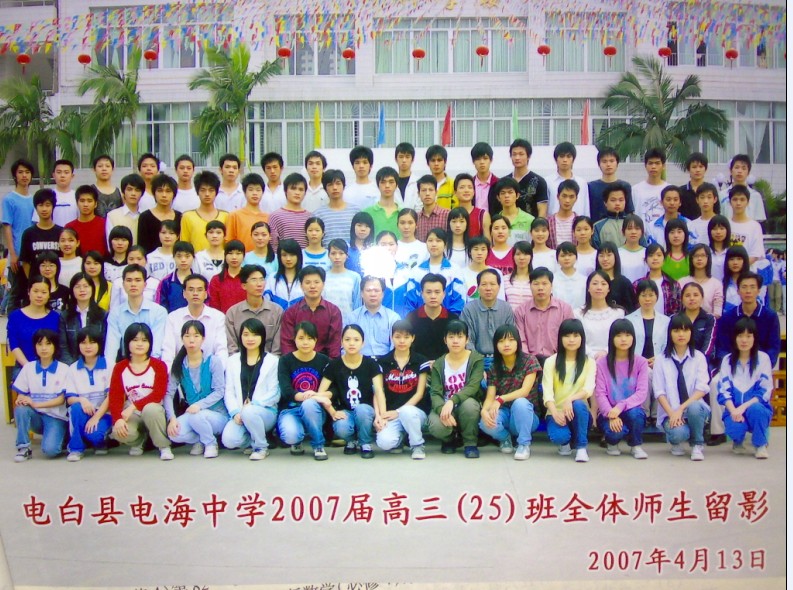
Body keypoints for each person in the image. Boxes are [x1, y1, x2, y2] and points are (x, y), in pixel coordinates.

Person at [314, 324, 383, 458]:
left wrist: (380, 415)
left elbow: (379, 391)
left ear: (363, 343)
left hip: (366, 410)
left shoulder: (371, 364)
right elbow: (321, 393)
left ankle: (365, 443)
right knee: (341, 427)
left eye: (356, 340)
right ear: (341, 342)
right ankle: (351, 441)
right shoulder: (334, 365)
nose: (352, 343)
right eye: (347, 339)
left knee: (362, 410)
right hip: (346, 410)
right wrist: (332, 411)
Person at [165, 320, 228, 459]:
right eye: (187, 336)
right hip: (194, 414)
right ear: (182, 338)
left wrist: (199, 405)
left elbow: (219, 391)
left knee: (197, 417)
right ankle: (201, 439)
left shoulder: (213, 361)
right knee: (174, 433)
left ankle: (211, 444)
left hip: (216, 415)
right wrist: (172, 418)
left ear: (203, 339)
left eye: (196, 336)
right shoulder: (179, 364)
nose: (191, 340)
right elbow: (169, 393)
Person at [108, 323, 171, 459]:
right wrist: (117, 419)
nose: (140, 344)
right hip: (132, 414)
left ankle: (163, 446)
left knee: (150, 409)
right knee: (119, 432)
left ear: (150, 343)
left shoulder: (159, 365)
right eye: (135, 340)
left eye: (144, 340)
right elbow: (115, 397)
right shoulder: (120, 367)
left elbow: (157, 394)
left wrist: (133, 407)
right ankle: (139, 440)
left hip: (153, 411)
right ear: (127, 342)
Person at [653, 314, 711, 461]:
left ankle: (697, 444)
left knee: (694, 407)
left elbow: (702, 388)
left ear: (691, 333)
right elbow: (659, 392)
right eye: (676, 330)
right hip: (670, 411)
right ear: (670, 333)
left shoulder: (698, 357)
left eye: (685, 330)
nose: (681, 334)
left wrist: (681, 409)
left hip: (693, 409)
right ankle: (676, 441)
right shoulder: (661, 359)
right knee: (679, 434)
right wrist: (672, 413)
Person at [221, 318, 280, 460]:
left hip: (265, 412)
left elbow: (275, 392)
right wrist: (235, 412)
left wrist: (254, 405)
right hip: (240, 412)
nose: (250, 339)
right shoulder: (232, 361)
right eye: (246, 334)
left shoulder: (272, 361)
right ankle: (254, 440)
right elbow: (229, 391)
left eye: (255, 334)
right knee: (229, 440)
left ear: (262, 337)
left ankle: (261, 447)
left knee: (250, 411)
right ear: (240, 336)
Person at [479, 324, 541, 461]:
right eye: (501, 341)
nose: (506, 344)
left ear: (518, 342)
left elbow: (525, 391)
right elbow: (490, 396)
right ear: (496, 345)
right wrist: (484, 411)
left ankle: (523, 444)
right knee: (484, 423)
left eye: (511, 340)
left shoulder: (530, 361)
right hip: (505, 414)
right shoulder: (494, 367)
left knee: (520, 403)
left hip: (527, 415)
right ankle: (505, 438)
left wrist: (500, 399)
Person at [715, 317, 773, 459]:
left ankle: (760, 445)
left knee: (757, 410)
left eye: (748, 336)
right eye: (740, 336)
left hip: (755, 406)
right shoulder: (727, 360)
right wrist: (733, 410)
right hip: (734, 409)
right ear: (734, 338)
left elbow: (765, 391)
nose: (744, 340)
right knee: (735, 429)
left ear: (754, 338)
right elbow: (723, 390)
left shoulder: (763, 359)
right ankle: (738, 441)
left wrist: (743, 407)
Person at [374, 320, 432, 459]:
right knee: (384, 442)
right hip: (391, 413)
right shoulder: (382, 362)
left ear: (413, 338)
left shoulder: (420, 361)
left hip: (415, 413)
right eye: (398, 336)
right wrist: (380, 415)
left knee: (407, 412)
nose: (402, 341)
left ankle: (417, 446)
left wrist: (399, 411)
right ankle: (400, 438)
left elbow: (420, 393)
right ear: (391, 337)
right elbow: (378, 391)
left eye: (406, 337)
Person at [427, 320, 485, 458]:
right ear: (445, 340)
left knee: (470, 406)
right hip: (445, 405)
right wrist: (441, 409)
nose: (455, 341)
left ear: (467, 339)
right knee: (435, 425)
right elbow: (435, 393)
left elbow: (473, 387)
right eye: (451, 337)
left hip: (465, 404)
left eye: (460, 336)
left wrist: (452, 401)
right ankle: (449, 439)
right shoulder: (439, 363)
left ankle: (470, 443)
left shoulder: (476, 359)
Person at [542, 318, 595, 463]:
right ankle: (566, 443)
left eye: (576, 335)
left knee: (578, 404)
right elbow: (547, 393)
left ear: (582, 338)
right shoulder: (551, 362)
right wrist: (555, 412)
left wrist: (569, 399)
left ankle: (581, 447)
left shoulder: (589, 362)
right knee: (559, 436)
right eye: (567, 335)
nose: (571, 340)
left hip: (580, 413)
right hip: (557, 412)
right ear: (560, 338)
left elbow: (588, 389)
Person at [595, 319, 650, 459]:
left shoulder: (641, 362)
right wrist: (611, 414)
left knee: (636, 414)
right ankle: (612, 443)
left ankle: (636, 445)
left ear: (633, 338)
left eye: (627, 335)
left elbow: (641, 393)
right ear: (612, 338)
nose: (623, 339)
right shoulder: (601, 363)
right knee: (616, 432)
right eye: (618, 335)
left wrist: (620, 406)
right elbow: (600, 393)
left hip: (631, 409)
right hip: (608, 412)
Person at [11, 328, 68, 462]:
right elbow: (21, 393)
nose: (44, 348)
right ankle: (23, 448)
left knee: (50, 450)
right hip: (36, 417)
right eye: (39, 344)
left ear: (55, 346)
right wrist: (21, 399)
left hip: (55, 417)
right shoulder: (28, 368)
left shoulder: (64, 369)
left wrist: (36, 404)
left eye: (48, 344)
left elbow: (61, 400)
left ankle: (63, 437)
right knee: (20, 409)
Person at [276, 321, 331, 460]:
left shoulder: (324, 360)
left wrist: (315, 397)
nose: (305, 342)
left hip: (315, 411)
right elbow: (286, 390)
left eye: (309, 338)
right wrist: (311, 396)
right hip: (291, 409)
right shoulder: (285, 360)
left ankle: (318, 445)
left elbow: (333, 389)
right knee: (290, 436)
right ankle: (297, 441)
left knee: (309, 404)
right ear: (294, 339)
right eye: (301, 338)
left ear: (316, 340)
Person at [64, 326, 112, 461]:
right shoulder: (73, 368)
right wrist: (82, 400)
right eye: (83, 342)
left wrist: (96, 417)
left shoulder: (109, 365)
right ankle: (76, 449)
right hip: (83, 412)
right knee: (75, 408)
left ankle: (101, 442)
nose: (88, 346)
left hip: (104, 413)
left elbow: (111, 397)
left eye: (92, 342)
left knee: (95, 435)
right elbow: (70, 398)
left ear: (99, 344)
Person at [162, 273, 228, 368]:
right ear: (184, 293)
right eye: (191, 289)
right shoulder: (173, 318)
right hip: (180, 370)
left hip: (210, 371)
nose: (195, 293)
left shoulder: (218, 317)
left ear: (206, 294)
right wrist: (173, 373)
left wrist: (217, 372)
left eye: (199, 290)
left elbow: (221, 349)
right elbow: (168, 351)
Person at [105, 264, 168, 364]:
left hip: (151, 363)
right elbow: (111, 348)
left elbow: (156, 347)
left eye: (138, 280)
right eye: (129, 280)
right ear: (123, 284)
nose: (133, 284)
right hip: (125, 362)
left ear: (145, 284)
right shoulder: (116, 313)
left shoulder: (159, 312)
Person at [279, 266, 343, 358]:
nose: (312, 286)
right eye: (307, 282)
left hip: (325, 361)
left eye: (316, 282)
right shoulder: (291, 312)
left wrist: (330, 364)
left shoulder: (333, 311)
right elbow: (287, 344)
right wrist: (293, 363)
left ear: (323, 284)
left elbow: (334, 344)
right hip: (297, 362)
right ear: (301, 286)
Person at [514, 268, 575, 364]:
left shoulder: (565, 309)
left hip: (558, 360)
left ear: (551, 285)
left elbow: (570, 338)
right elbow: (521, 341)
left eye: (544, 283)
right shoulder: (521, 311)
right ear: (530, 286)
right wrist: (529, 362)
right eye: (536, 284)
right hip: (530, 362)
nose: (540, 288)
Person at [459, 269, 515, 367]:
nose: (488, 288)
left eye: (492, 284)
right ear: (478, 287)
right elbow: (468, 340)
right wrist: (477, 362)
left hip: (502, 359)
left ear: (499, 287)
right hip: (475, 360)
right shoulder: (469, 309)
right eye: (484, 284)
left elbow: (511, 338)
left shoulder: (506, 308)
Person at [225, 265, 283, 355]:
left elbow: (277, 349)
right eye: (254, 280)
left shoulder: (277, 311)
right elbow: (232, 347)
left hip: (269, 361)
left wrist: (271, 362)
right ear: (244, 286)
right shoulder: (233, 313)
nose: (259, 284)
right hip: (240, 360)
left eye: (261, 279)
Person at [2, 158, 35, 314]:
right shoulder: (9, 199)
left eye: (27, 172)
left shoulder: (35, 199)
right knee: (15, 294)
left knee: (31, 293)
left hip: (32, 255)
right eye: (20, 172)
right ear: (15, 175)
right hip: (17, 256)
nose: (24, 176)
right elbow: (7, 227)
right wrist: (13, 254)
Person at [489, 139, 548, 219]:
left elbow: (542, 212)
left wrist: (539, 225)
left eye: (521, 154)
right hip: (505, 224)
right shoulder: (502, 182)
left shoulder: (539, 182)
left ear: (528, 156)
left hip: (530, 224)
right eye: (514, 154)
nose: (517, 158)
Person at [406, 273, 459, 361]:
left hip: (446, 365)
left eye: (437, 292)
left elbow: (457, 348)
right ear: (422, 294)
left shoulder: (453, 319)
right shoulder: (411, 318)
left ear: (444, 294)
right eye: (428, 292)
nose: (433, 296)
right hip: (418, 365)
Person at [58, 272, 108, 365]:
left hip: (97, 365)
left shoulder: (102, 315)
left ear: (92, 289)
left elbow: (105, 344)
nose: (82, 290)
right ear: (72, 290)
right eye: (77, 287)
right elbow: (63, 347)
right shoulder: (65, 316)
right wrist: (73, 367)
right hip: (71, 366)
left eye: (86, 286)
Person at [345, 276, 401, 358]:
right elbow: (345, 346)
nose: (373, 294)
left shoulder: (393, 318)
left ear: (382, 294)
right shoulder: (352, 318)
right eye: (369, 290)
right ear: (361, 293)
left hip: (385, 361)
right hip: (359, 361)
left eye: (376, 290)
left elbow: (396, 346)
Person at [575, 270, 625, 359]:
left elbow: (621, 337)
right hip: (585, 359)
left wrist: (605, 352)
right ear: (588, 288)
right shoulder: (577, 313)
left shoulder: (619, 313)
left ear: (609, 289)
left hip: (612, 358)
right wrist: (592, 355)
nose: (599, 287)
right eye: (595, 283)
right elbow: (576, 339)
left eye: (603, 284)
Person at [180, 171, 229, 252]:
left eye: (211, 190)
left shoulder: (226, 216)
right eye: (203, 190)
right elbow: (184, 245)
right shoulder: (187, 217)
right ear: (197, 192)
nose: (207, 194)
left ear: (216, 192)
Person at [19, 188, 62, 281]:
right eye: (40, 205)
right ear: (36, 207)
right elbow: (25, 262)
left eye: (48, 205)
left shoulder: (61, 232)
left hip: (58, 282)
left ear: (53, 207)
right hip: (37, 284)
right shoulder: (28, 233)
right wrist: (32, 281)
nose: (44, 209)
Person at [226, 173, 271, 253]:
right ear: (244, 192)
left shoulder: (268, 217)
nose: (254, 193)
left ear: (263, 192)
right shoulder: (234, 216)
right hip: (241, 259)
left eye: (258, 190)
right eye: (251, 189)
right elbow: (229, 242)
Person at [137, 174, 182, 254]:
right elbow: (142, 246)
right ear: (154, 193)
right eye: (160, 191)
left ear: (174, 194)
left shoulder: (180, 217)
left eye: (168, 191)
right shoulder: (145, 217)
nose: (164, 195)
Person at [633, 243, 681, 316]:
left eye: (659, 255)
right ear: (646, 260)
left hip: (667, 322)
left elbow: (678, 310)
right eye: (651, 255)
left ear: (664, 259)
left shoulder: (673, 285)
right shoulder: (637, 284)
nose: (655, 258)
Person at [588, 147, 634, 223]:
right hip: (596, 227)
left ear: (617, 163)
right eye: (604, 161)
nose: (608, 164)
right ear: (599, 164)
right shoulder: (591, 187)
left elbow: (630, 212)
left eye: (612, 161)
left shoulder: (625, 186)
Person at [315, 169, 359, 245]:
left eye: (338, 183)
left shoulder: (355, 211)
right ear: (325, 189)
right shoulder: (318, 215)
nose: (335, 187)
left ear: (344, 186)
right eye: (330, 184)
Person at [679, 244, 724, 318]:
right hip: (684, 322)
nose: (699, 259)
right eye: (696, 256)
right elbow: (677, 308)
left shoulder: (716, 284)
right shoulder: (682, 282)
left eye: (703, 255)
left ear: (708, 258)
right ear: (691, 258)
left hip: (707, 323)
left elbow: (717, 312)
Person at [270, 173, 312, 251]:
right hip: (284, 257)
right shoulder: (275, 216)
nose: (297, 192)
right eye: (293, 188)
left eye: (301, 189)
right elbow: (273, 245)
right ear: (285, 191)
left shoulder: (310, 217)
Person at [546, 142, 590, 217]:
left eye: (568, 156)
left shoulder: (581, 182)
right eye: (561, 156)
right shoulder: (547, 182)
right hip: (554, 222)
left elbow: (586, 209)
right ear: (556, 159)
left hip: (578, 223)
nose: (565, 160)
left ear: (573, 159)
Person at [718, 154, 767, 222]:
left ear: (748, 172)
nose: (740, 171)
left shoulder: (755, 196)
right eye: (737, 167)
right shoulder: (722, 195)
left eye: (743, 168)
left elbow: (759, 222)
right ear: (731, 171)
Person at [726, 185, 765, 264]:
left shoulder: (755, 226)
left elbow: (756, 254)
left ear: (748, 202)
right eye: (735, 199)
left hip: (748, 270)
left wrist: (740, 266)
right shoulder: (725, 225)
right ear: (730, 202)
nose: (738, 203)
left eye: (742, 199)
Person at [631, 148, 670, 227]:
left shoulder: (669, 190)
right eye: (650, 163)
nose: (653, 166)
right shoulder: (635, 190)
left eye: (657, 163)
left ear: (663, 166)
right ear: (645, 165)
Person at [154, 240, 195, 313]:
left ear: (193, 257)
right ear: (173, 257)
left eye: (187, 256)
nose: (183, 260)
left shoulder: (200, 281)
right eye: (179, 256)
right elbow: (160, 307)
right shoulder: (166, 282)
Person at [67, 185, 107, 258]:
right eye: (82, 201)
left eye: (89, 201)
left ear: (95, 204)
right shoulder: (69, 227)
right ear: (77, 203)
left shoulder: (105, 224)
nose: (85, 204)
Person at [323, 239, 362, 316]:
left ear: (347, 255)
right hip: (326, 320)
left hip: (348, 321)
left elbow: (357, 304)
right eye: (333, 253)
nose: (337, 257)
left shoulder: (355, 277)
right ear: (328, 255)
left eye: (341, 253)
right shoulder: (323, 276)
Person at [106, 173, 145, 249]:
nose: (133, 193)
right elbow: (110, 245)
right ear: (123, 192)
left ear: (142, 193)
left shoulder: (146, 215)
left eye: (137, 190)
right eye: (129, 189)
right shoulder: (112, 215)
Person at [596, 242, 637, 312]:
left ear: (615, 256)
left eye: (609, 255)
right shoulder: (593, 281)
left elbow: (630, 309)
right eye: (601, 255)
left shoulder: (624, 283)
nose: (605, 259)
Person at [207, 240, 246, 314]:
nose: (234, 257)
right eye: (230, 253)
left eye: (238, 253)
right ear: (225, 256)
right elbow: (214, 306)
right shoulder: (216, 280)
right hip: (222, 319)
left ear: (244, 256)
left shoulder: (249, 277)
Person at [265, 239, 304, 310]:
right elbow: (266, 302)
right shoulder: (272, 278)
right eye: (284, 255)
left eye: (292, 255)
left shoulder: (306, 278)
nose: (288, 259)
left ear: (298, 256)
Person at [493, 177, 533, 244]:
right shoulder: (495, 221)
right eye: (503, 193)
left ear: (517, 195)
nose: (506, 196)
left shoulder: (530, 220)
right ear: (498, 197)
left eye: (510, 192)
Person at [364, 167, 401, 238]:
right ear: (378, 185)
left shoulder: (403, 213)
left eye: (391, 182)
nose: (387, 186)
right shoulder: (367, 213)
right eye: (383, 182)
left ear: (396, 185)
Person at [592, 183, 630, 249]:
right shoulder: (597, 227)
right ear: (605, 203)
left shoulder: (633, 224)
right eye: (613, 200)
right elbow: (596, 250)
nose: (617, 203)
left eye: (621, 200)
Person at [455, 172, 490, 240]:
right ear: (455, 192)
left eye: (470, 187)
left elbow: (488, 242)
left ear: (474, 192)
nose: (466, 190)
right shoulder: (450, 214)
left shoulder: (483, 215)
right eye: (462, 187)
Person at [552, 242, 586, 310]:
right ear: (557, 259)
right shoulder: (552, 280)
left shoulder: (584, 280)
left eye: (570, 255)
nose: (567, 258)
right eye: (563, 256)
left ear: (576, 257)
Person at [678, 152, 711, 220]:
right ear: (688, 169)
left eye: (701, 167)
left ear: (705, 169)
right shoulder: (681, 191)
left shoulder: (711, 189)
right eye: (694, 167)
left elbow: (716, 211)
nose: (698, 170)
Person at [547, 179, 579, 249]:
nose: (567, 200)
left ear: (576, 198)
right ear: (558, 196)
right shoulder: (548, 222)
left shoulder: (579, 222)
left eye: (571, 197)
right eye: (564, 196)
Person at [503, 241, 533, 311]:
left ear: (531, 256)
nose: (521, 258)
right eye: (518, 254)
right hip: (510, 317)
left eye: (525, 254)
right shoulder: (505, 279)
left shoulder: (536, 279)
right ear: (513, 257)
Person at [619, 214, 647, 283]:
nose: (633, 232)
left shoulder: (647, 253)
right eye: (629, 228)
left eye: (637, 229)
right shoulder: (617, 253)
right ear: (623, 232)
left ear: (642, 232)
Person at [425, 145, 455, 209]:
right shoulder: (423, 184)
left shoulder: (453, 184)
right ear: (428, 163)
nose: (436, 164)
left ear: (445, 162)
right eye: (433, 160)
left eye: (439, 160)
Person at [471, 142, 498, 213]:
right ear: (473, 161)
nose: (482, 162)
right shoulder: (469, 184)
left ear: (491, 160)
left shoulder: (498, 184)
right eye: (478, 159)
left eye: (485, 158)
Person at [346, 211, 375, 275]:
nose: (363, 229)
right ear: (353, 227)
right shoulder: (345, 247)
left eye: (367, 226)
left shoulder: (375, 249)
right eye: (359, 225)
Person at [394, 142, 420, 210]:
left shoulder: (418, 182)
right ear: (396, 159)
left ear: (412, 159)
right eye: (401, 157)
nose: (404, 160)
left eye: (407, 157)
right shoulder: (391, 182)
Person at [708, 215, 731, 283]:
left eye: (722, 228)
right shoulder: (706, 252)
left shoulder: (731, 252)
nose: (718, 232)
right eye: (714, 229)